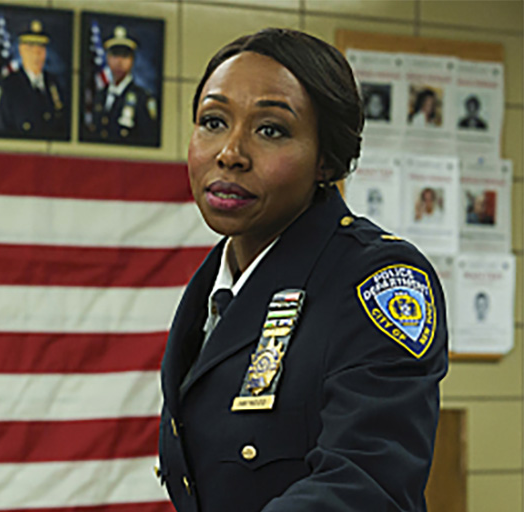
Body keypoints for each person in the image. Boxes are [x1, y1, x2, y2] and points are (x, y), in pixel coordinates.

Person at [158, 28, 447, 511]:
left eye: (270, 129)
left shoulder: (375, 278)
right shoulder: (218, 283)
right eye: (212, 121)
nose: (230, 153)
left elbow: (367, 484)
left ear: (327, 160)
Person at [0, 20, 67, 138]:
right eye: (30, 48)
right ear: (21, 51)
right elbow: (1, 128)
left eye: (41, 49)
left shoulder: (54, 83)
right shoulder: (9, 86)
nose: (36, 55)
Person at [89, 26, 157, 145]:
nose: (119, 61)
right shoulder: (100, 95)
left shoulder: (142, 98)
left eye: (125, 55)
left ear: (132, 60)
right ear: (107, 58)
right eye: (115, 55)